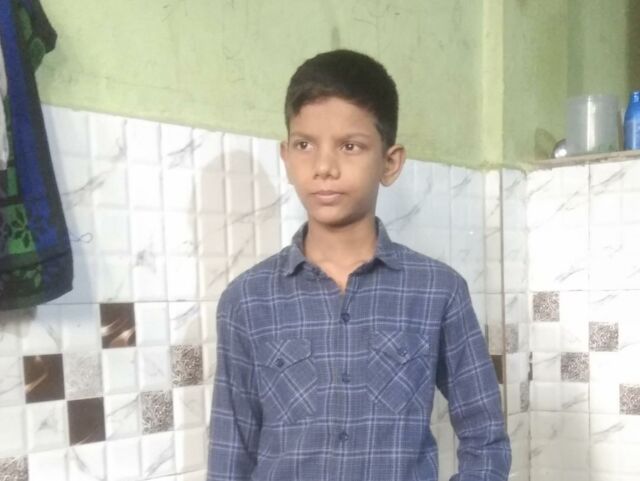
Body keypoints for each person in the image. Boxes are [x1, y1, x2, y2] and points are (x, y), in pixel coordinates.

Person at [207, 49, 511, 481]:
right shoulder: (246, 300)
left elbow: (486, 436)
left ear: (390, 162)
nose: (324, 167)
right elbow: (230, 454)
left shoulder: (437, 291)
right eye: (305, 145)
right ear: (286, 157)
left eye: (350, 146)